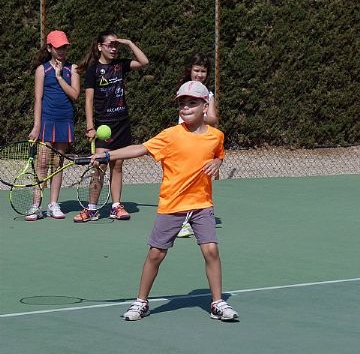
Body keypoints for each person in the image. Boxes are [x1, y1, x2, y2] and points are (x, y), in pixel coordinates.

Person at [92, 81, 239, 322]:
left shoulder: (216, 136)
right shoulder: (170, 136)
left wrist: (218, 163)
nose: (185, 107)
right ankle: (141, 302)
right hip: (172, 204)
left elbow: (218, 154)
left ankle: (217, 302)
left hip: (202, 203)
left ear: (205, 107)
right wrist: (107, 154)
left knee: (211, 250)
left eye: (192, 103)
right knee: (156, 254)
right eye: (182, 103)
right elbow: (139, 149)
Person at [73, 30, 149, 222]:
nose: (114, 49)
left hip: (122, 122)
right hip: (103, 125)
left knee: (118, 165)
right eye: (110, 45)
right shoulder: (92, 71)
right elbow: (88, 100)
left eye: (116, 45)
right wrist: (90, 126)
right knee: (99, 165)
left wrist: (129, 42)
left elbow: (144, 61)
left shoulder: (120, 65)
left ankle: (116, 206)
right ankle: (91, 209)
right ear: (100, 47)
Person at [27, 30, 80, 221]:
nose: (61, 51)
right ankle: (36, 205)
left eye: (64, 47)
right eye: (58, 47)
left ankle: (53, 204)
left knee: (58, 164)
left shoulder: (72, 69)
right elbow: (38, 99)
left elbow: (75, 95)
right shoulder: (41, 70)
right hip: (47, 122)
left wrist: (59, 77)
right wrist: (36, 126)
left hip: (64, 120)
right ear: (49, 48)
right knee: (42, 163)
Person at [177, 52, 218, 237]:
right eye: (197, 70)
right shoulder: (184, 90)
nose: (200, 74)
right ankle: (181, 220)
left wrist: (201, 118)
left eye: (203, 71)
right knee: (181, 181)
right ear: (190, 70)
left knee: (199, 182)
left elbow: (213, 118)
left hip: (200, 145)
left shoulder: (208, 95)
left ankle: (197, 218)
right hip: (182, 142)